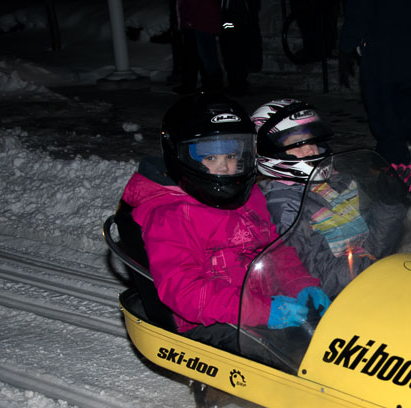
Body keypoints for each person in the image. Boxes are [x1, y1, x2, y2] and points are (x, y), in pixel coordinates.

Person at [119, 93, 331, 367]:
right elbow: (186, 293)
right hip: (209, 322)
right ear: (183, 157)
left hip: (260, 308)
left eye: (232, 155)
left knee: (338, 334)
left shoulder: (250, 195)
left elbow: (276, 253)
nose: (225, 167)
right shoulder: (170, 216)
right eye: (210, 157)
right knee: (304, 362)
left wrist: (301, 285)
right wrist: (261, 311)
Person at [251, 98, 411, 297]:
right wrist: (379, 267)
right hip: (339, 303)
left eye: (312, 140)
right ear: (269, 152)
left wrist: (389, 203)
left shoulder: (340, 183)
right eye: (296, 144)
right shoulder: (284, 207)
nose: (310, 150)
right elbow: (322, 279)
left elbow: (373, 246)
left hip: (370, 283)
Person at [337, 0, 411, 168]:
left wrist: (347, 44)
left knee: (381, 103)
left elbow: (359, 8)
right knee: (405, 96)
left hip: (380, 41)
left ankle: (390, 161)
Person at [175, 0, 224, 93]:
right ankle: (211, 87)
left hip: (201, 22)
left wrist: (188, 18)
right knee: (205, 56)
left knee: (207, 57)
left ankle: (214, 88)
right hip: (202, 21)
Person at [218, 0, 262, 96]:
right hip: (236, 24)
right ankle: (237, 84)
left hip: (236, 26)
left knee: (235, 57)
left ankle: (238, 86)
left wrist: (228, 24)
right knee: (233, 57)